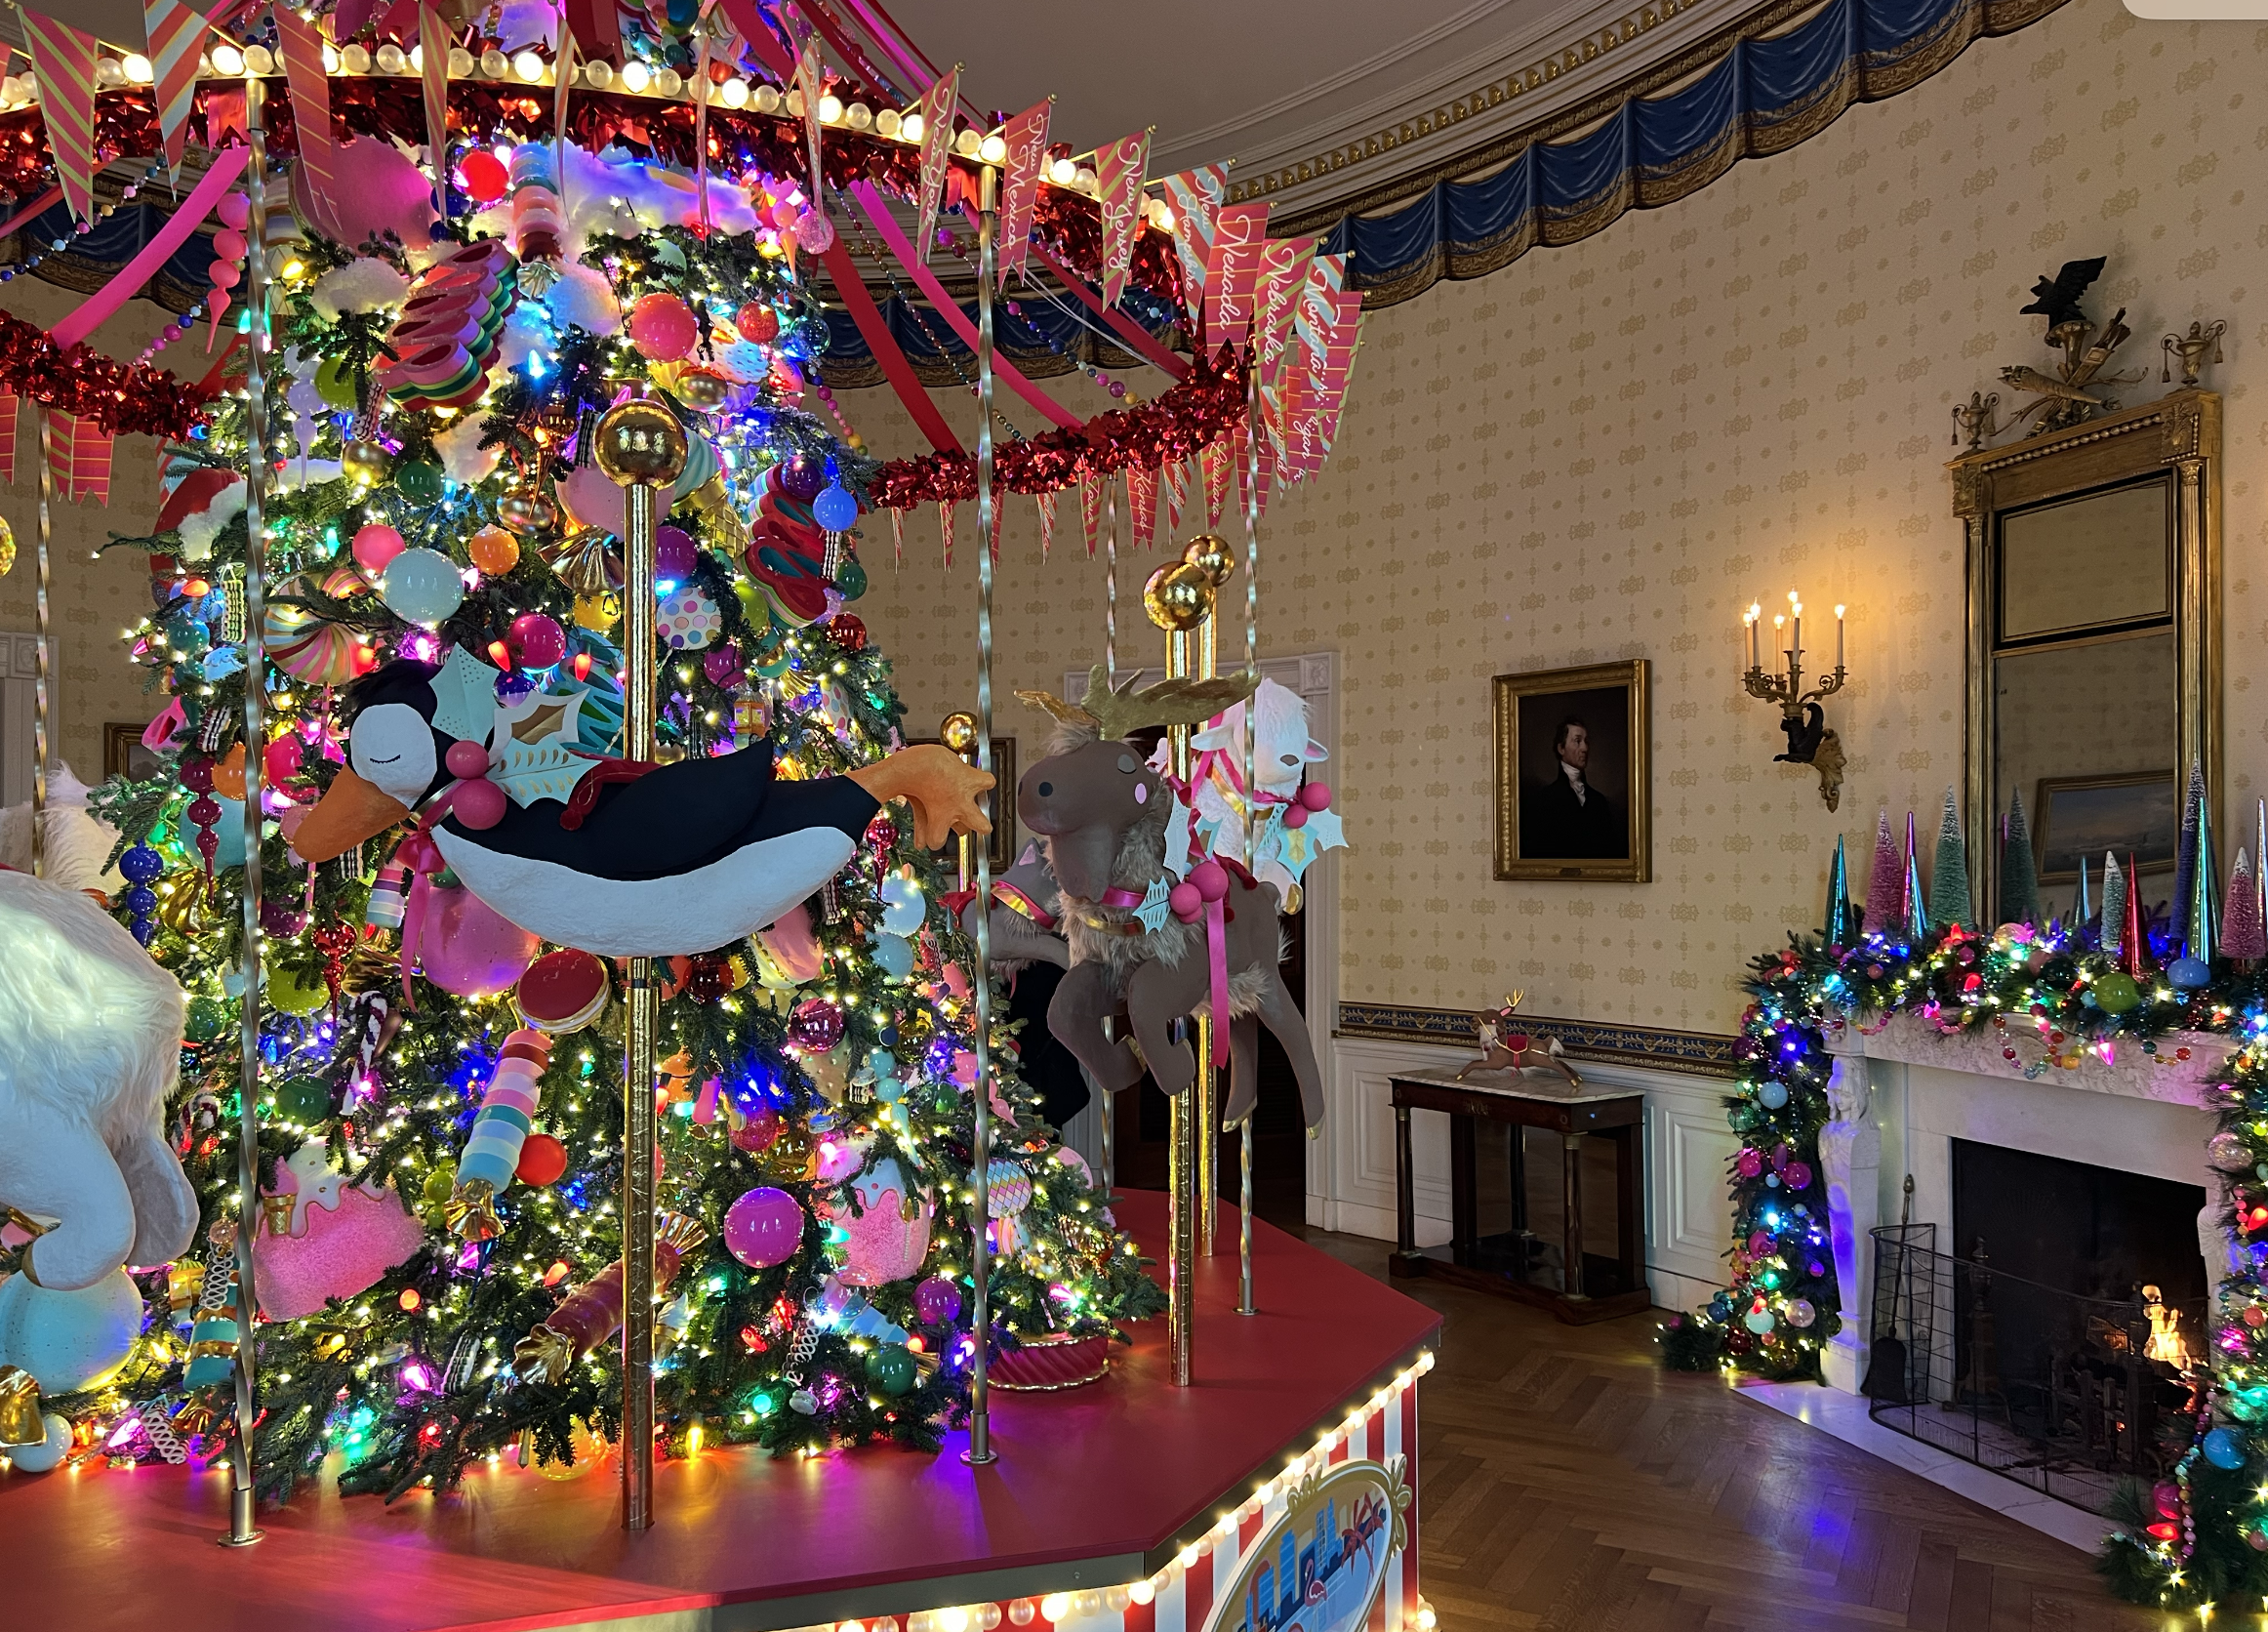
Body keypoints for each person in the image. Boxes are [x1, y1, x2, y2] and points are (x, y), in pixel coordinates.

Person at [1522, 715, 1625, 858]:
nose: (1585, 748)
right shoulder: (1543, 800)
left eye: (1586, 742)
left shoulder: (1598, 801)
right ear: (1561, 748)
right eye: (1577, 741)